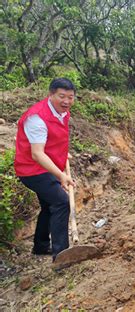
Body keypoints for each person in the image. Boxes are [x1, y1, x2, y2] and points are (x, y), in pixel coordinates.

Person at [14, 78, 76, 260]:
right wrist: (61, 175)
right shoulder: (37, 118)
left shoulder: (63, 112)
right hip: (32, 170)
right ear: (51, 95)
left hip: (46, 166)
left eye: (70, 97)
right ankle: (62, 255)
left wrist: (63, 153)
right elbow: (37, 154)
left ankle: (40, 246)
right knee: (61, 202)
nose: (66, 101)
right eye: (61, 96)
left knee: (49, 205)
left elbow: (53, 138)